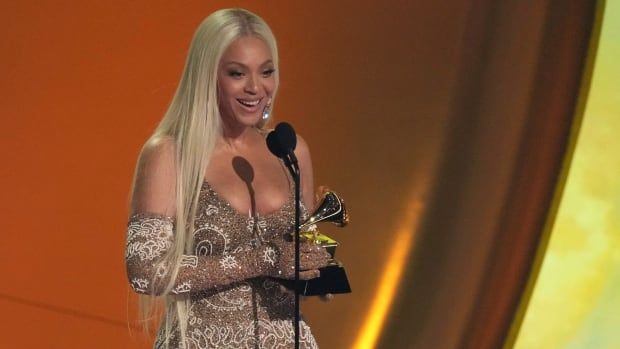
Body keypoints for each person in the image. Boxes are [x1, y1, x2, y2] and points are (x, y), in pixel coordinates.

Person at [124, 8, 331, 349]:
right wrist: (262, 259)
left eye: (267, 72)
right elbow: (146, 269)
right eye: (237, 73)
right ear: (207, 76)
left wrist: (314, 270)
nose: (256, 88)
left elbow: (297, 258)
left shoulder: (291, 151)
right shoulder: (170, 154)